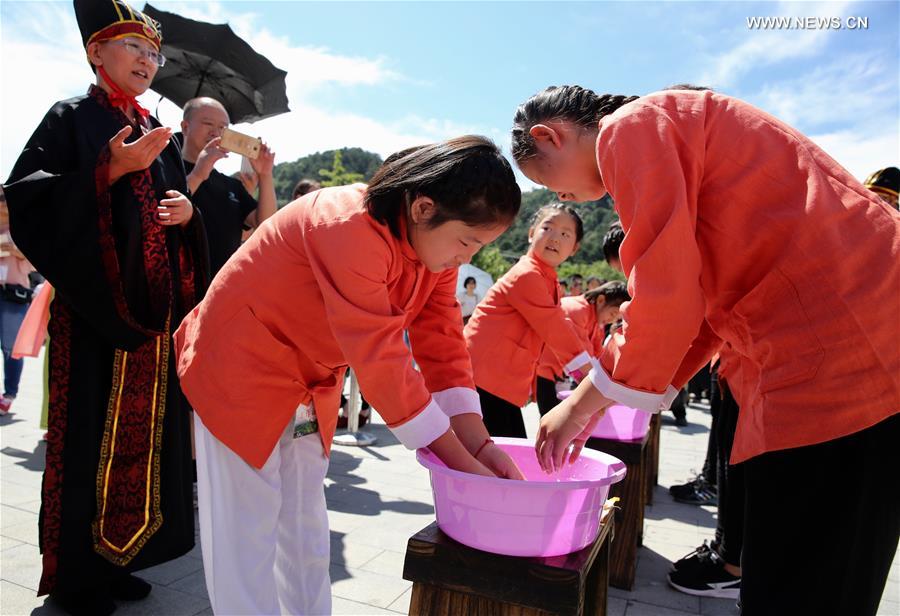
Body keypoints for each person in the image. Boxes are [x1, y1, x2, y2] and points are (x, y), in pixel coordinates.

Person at [511, 84, 899, 616]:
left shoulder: (632, 127)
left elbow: (666, 293)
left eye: (547, 181)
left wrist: (581, 403)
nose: (567, 199)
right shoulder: (679, 123)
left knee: (803, 581)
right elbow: (698, 306)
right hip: (843, 341)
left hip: (840, 347)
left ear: (547, 136)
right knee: (812, 575)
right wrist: (614, 397)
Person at [173, 135, 525, 615]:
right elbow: (382, 356)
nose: (465, 258)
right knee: (245, 530)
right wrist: (465, 469)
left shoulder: (433, 251)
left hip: (310, 380)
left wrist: (481, 446)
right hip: (240, 367)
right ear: (423, 208)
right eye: (467, 242)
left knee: (305, 526)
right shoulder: (346, 222)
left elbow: (442, 343)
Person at [2, 2, 208, 613]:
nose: (148, 61)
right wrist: (108, 169)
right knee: (88, 437)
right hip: (95, 316)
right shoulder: (70, 118)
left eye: (155, 54)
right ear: (97, 52)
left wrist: (189, 215)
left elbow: (174, 207)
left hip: (153, 325)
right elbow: (29, 202)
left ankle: (124, 559)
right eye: (135, 48)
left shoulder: (154, 125)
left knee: (142, 444)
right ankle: (77, 577)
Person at [464, 204, 593, 438]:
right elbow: (555, 328)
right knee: (498, 462)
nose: (555, 237)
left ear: (575, 248)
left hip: (497, 381)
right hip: (482, 378)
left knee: (496, 459)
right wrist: (590, 376)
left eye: (565, 234)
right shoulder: (527, 274)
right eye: (548, 227)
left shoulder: (548, 279)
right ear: (531, 233)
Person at [180, 97, 277, 277]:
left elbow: (265, 223)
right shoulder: (167, 167)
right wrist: (198, 174)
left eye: (223, 128)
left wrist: (265, 174)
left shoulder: (232, 186)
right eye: (208, 123)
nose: (215, 132)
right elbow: (162, 208)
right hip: (179, 287)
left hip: (222, 288)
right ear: (185, 127)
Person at [535, 281, 629, 417]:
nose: (611, 320)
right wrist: (598, 391)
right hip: (545, 371)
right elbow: (577, 356)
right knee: (554, 423)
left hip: (560, 375)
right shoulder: (576, 310)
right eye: (613, 314)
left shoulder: (596, 321)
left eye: (616, 318)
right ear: (601, 300)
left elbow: (598, 356)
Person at [0, 189, 36, 414]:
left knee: (11, 347)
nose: (2, 203)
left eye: (4, 198)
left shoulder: (22, 228)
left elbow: (37, 264)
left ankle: (9, 394)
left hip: (14, 294)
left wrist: (16, 252)